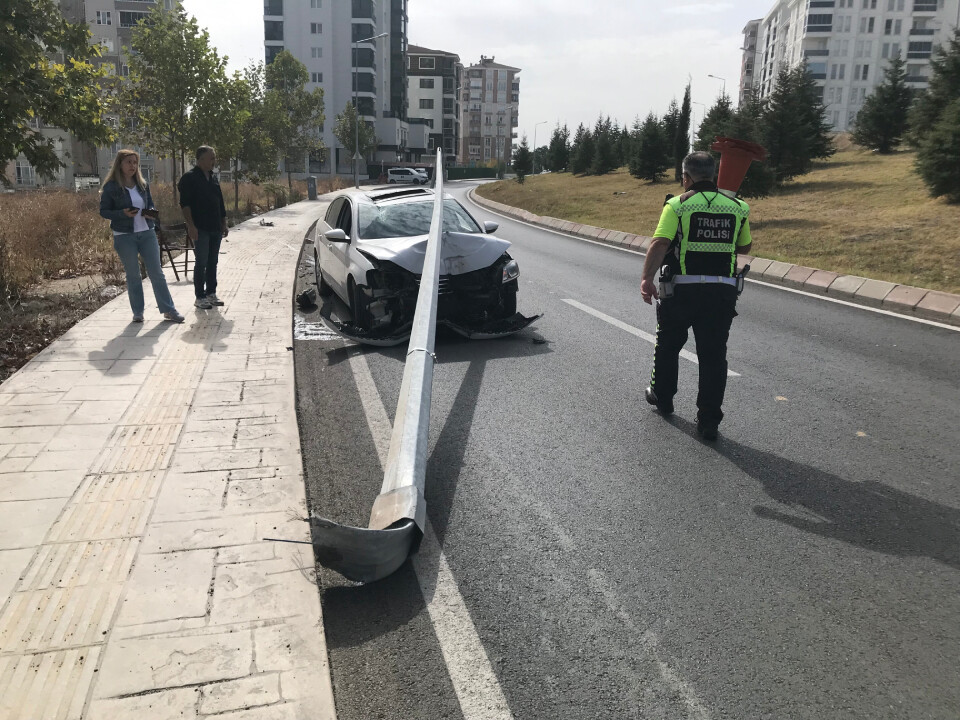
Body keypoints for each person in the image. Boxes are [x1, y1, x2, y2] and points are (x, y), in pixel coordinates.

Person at [639, 151, 753, 441]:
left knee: (668, 344)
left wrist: (646, 279)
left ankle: (663, 398)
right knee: (714, 357)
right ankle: (709, 421)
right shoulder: (739, 207)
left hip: (681, 291)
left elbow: (660, 243)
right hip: (721, 293)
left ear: (685, 177)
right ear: (713, 176)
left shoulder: (677, 205)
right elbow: (744, 247)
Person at [99, 149, 184, 324]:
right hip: (124, 236)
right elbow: (104, 211)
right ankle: (138, 312)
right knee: (133, 275)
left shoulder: (142, 184)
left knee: (156, 272)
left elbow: (150, 204)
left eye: (135, 162)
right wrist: (122, 213)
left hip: (147, 233)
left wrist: (151, 212)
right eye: (129, 162)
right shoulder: (111, 187)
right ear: (120, 164)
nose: (133, 166)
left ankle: (169, 309)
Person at [178, 145, 228, 309]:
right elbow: (185, 205)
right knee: (201, 262)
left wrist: (224, 222)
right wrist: (191, 226)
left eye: (214, 157)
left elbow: (219, 201)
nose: (214, 161)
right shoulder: (189, 178)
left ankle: (211, 293)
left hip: (215, 227)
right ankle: (200, 297)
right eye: (211, 158)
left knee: (213, 261)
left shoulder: (213, 177)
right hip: (200, 227)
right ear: (201, 159)